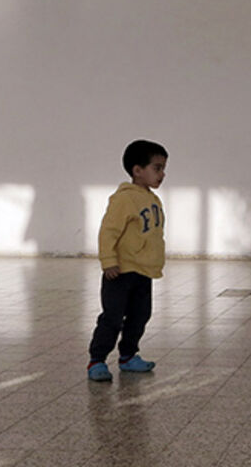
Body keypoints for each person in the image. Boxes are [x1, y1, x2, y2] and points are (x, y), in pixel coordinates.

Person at [87, 139, 168, 382]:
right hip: (120, 272)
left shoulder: (152, 199)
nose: (162, 174)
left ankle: (128, 356)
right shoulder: (124, 199)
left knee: (141, 315)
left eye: (163, 168)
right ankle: (97, 360)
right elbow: (108, 231)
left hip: (143, 272)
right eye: (157, 168)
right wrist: (108, 260)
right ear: (137, 170)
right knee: (112, 317)